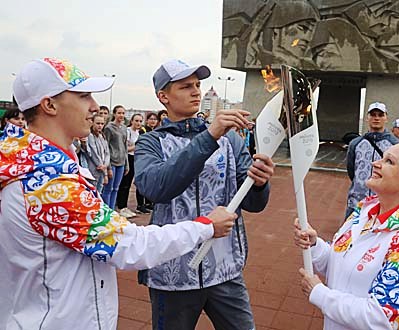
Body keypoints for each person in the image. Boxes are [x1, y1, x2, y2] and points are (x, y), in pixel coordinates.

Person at [0, 57, 238, 329]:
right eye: (83, 96)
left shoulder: (27, 162)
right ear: (49, 105)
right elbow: (130, 245)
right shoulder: (46, 183)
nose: (94, 107)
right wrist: (206, 227)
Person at [134, 59, 275, 330]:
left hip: (225, 269)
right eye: (185, 86)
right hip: (172, 272)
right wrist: (208, 137)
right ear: (163, 96)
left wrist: (259, 183)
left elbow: (254, 204)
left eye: (198, 85)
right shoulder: (151, 142)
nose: (196, 91)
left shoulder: (230, 139)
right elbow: (155, 188)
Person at [294, 135, 399, 330]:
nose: (375, 163)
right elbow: (339, 265)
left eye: (389, 161)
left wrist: (320, 294)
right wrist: (315, 245)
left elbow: (379, 317)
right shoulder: (365, 211)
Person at [345, 101, 399, 219]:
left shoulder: (395, 145)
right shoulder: (355, 143)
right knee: (348, 236)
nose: (376, 118)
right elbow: (351, 170)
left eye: (380, 115)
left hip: (382, 204)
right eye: (373, 115)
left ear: (386, 118)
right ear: (367, 118)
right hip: (356, 203)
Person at [102, 105, 130, 212]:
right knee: (108, 188)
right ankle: (106, 210)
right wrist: (108, 166)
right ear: (114, 114)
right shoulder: (109, 128)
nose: (121, 115)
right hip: (112, 162)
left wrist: (126, 164)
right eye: (119, 113)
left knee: (116, 188)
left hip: (121, 162)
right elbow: (106, 146)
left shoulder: (124, 128)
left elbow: (125, 146)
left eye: (123, 113)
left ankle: (112, 210)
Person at [116, 113, 144, 217]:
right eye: (136, 121)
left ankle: (125, 207)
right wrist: (135, 147)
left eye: (140, 121)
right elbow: (125, 148)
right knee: (124, 183)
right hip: (127, 158)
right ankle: (121, 206)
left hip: (135, 158)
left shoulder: (139, 132)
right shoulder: (127, 131)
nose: (138, 123)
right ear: (131, 121)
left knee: (128, 184)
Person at [87, 114, 111, 193]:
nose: (100, 126)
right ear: (92, 123)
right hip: (94, 168)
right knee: (92, 191)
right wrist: (101, 165)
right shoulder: (90, 136)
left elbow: (107, 153)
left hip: (102, 168)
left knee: (99, 191)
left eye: (102, 124)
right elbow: (94, 153)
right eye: (98, 123)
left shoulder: (102, 136)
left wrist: (105, 165)